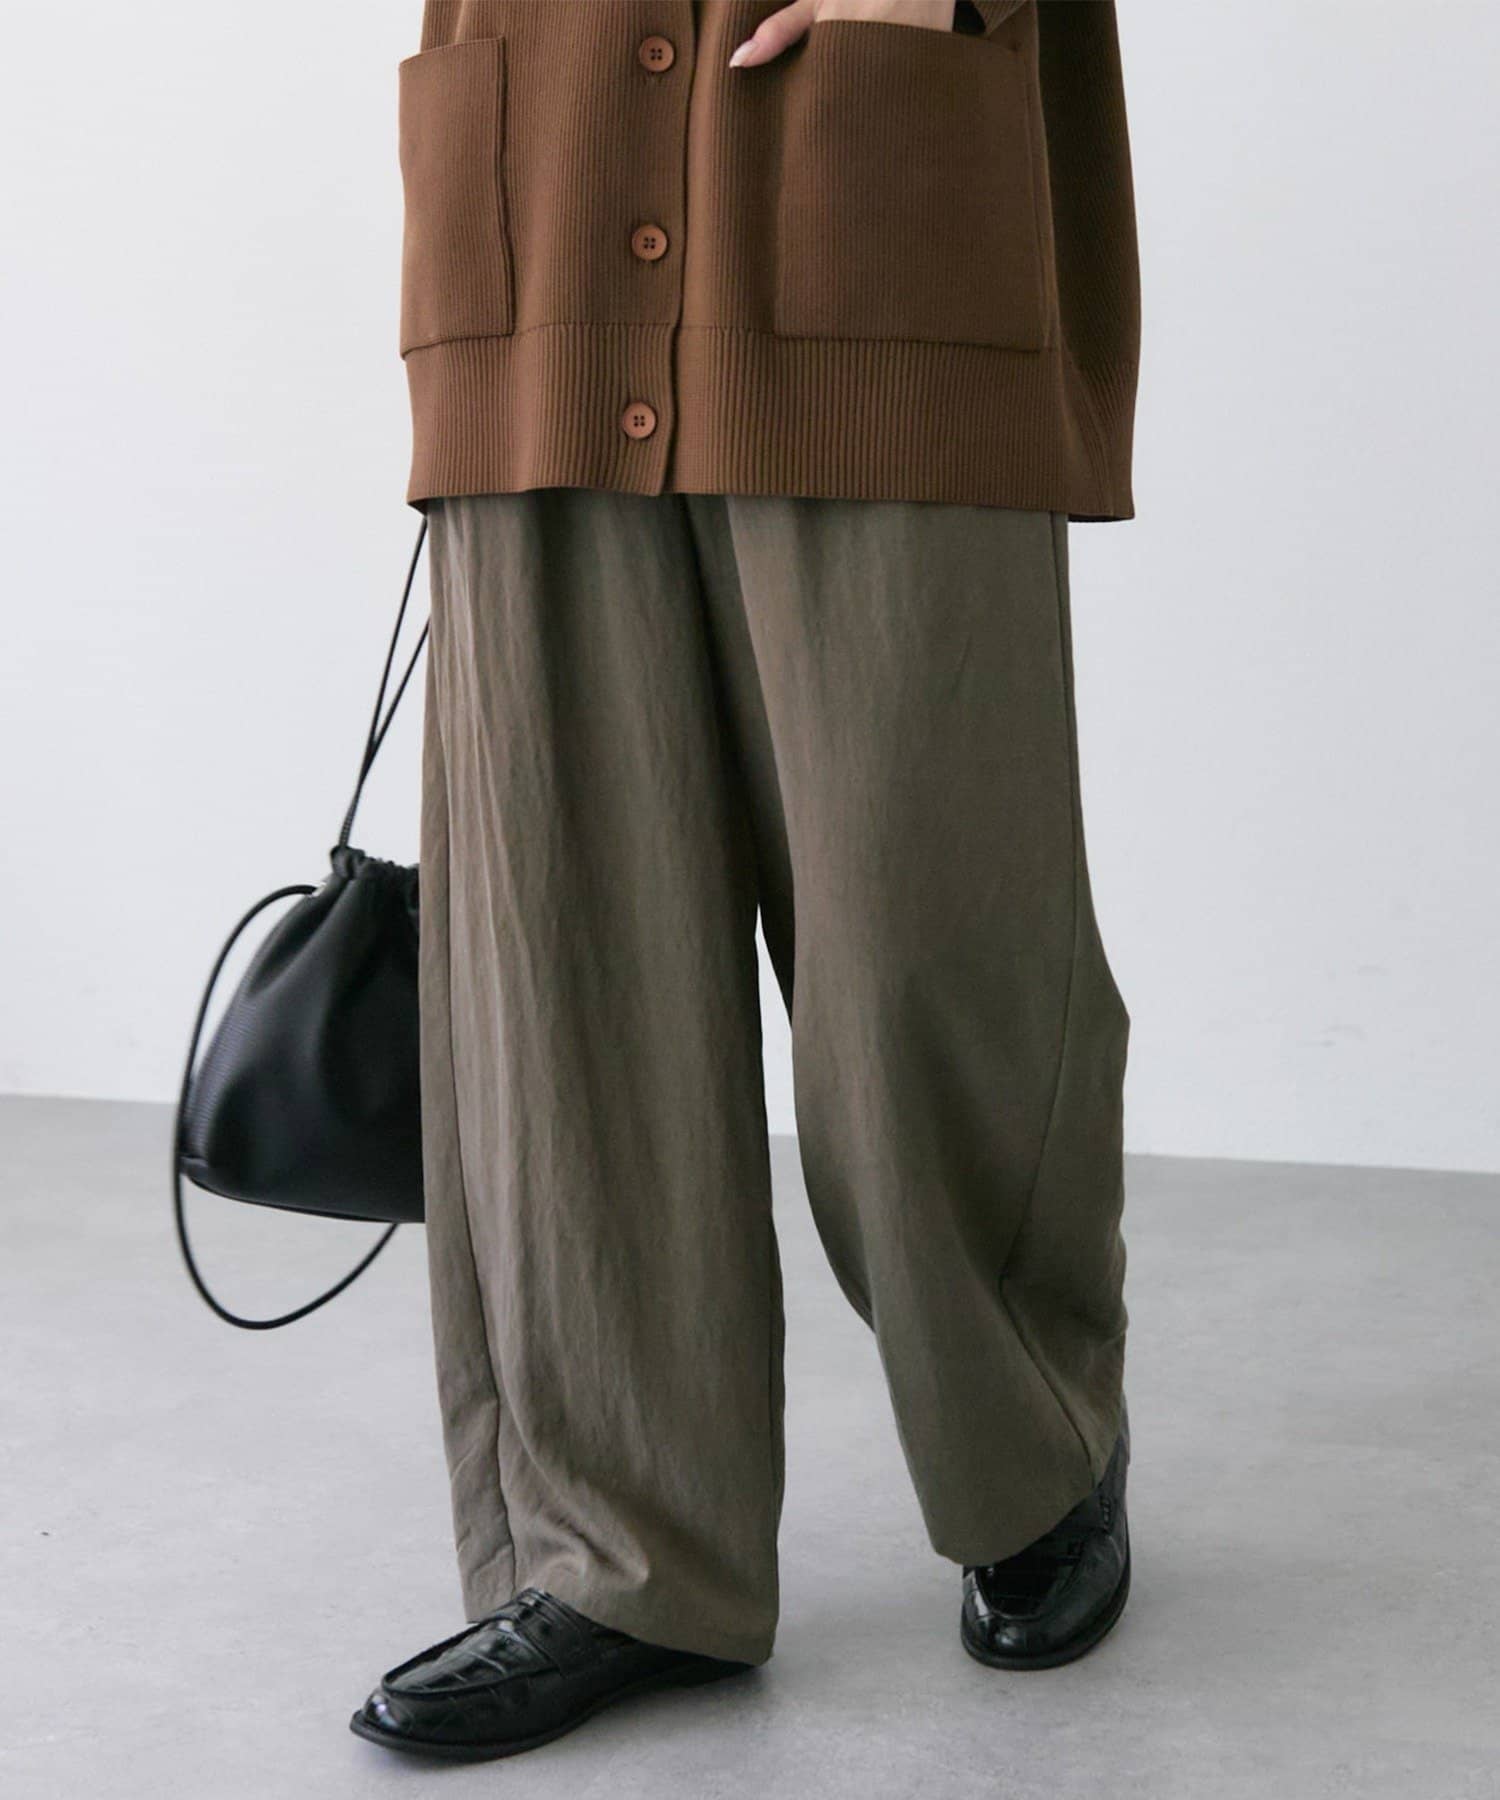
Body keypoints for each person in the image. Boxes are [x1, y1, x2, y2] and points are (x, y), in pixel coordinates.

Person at [351, 0, 1139, 1761]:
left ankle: (1036, 1446)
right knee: (569, 951)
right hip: (546, 171)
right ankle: (623, 1558)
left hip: (869, 181)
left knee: (928, 932)